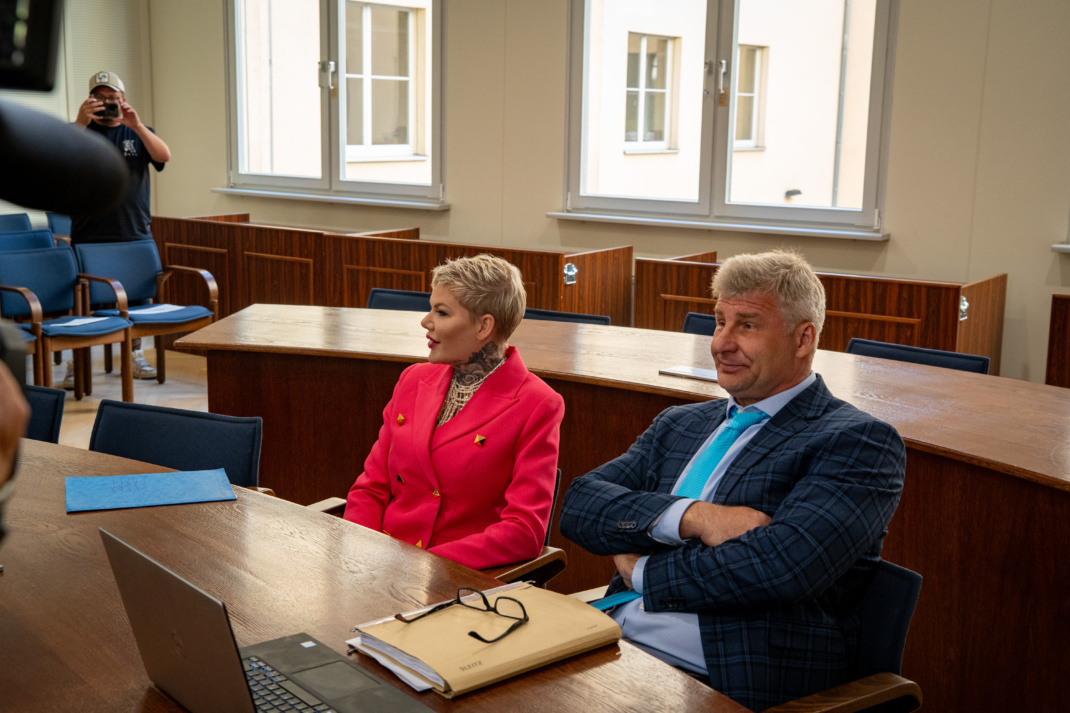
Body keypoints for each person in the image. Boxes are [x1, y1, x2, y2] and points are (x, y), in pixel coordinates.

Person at [559, 250, 906, 711]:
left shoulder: (857, 441)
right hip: (609, 644)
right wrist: (693, 518)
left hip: (723, 674)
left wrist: (639, 568)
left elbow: (780, 568)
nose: (721, 342)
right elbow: (580, 505)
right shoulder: (681, 423)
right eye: (719, 321)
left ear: (803, 339)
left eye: (747, 325)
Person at [343, 254, 565, 570]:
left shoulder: (537, 404)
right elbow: (370, 489)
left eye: (441, 312)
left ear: (484, 326)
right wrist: (360, 554)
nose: (425, 321)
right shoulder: (413, 378)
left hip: (458, 579)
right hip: (376, 565)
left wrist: (423, 567)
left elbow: (524, 531)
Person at [66, 70, 173, 385]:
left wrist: (136, 125)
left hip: (132, 230)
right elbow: (58, 157)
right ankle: (78, 359)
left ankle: (135, 354)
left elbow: (164, 155)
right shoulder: (78, 132)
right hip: (90, 232)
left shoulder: (138, 133)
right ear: (90, 101)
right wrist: (80, 122)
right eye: (100, 99)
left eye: (113, 99)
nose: (107, 105)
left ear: (123, 101)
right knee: (85, 299)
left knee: (137, 298)